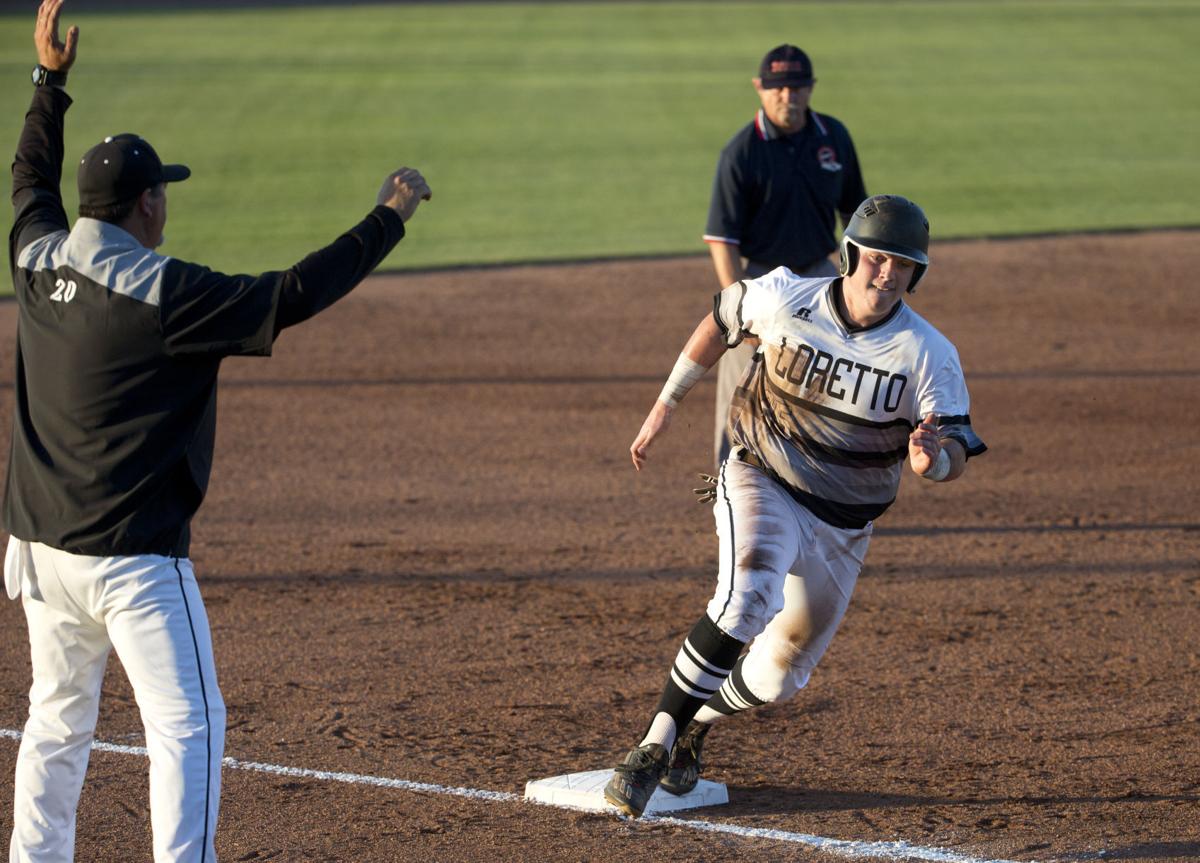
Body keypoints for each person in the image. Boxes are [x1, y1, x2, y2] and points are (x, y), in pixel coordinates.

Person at [4, 2, 432, 860]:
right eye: (164, 192)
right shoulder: (168, 295)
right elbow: (294, 293)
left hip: (40, 551)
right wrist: (389, 215)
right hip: (132, 563)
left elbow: (27, 184)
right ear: (147, 204)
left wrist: (50, 84)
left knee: (55, 718)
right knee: (189, 724)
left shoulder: (36, 259)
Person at [603, 194, 986, 818]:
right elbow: (721, 319)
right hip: (761, 473)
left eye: (903, 264)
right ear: (852, 254)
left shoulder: (928, 353)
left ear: (918, 272)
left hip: (842, 525)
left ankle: (695, 724)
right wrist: (667, 402)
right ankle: (652, 746)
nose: (886, 275)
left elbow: (955, 448)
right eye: (877, 259)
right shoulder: (789, 297)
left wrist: (932, 461)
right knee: (748, 595)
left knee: (782, 675)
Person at [704, 44, 868, 467]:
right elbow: (723, 239)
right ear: (760, 88)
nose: (787, 96)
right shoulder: (741, 152)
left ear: (810, 88)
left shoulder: (834, 137)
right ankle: (728, 485)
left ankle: (827, 486)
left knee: (832, 390)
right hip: (758, 283)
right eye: (778, 87)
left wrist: (856, 282)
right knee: (741, 391)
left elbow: (855, 217)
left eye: (796, 86)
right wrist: (736, 308)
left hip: (820, 279)